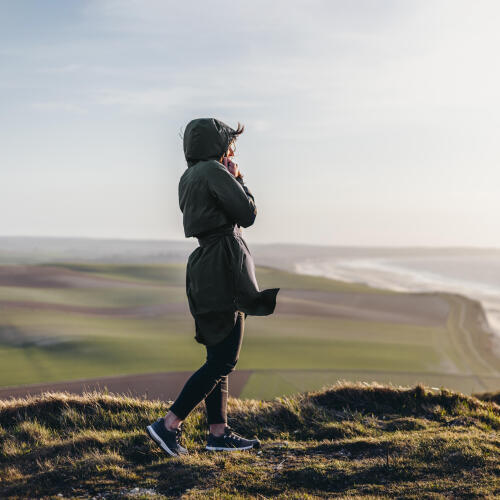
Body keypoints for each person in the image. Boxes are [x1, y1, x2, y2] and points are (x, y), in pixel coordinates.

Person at [146, 117, 280, 457]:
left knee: (217, 355)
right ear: (217, 146)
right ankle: (168, 425)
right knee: (223, 359)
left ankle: (217, 435)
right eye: (228, 146)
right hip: (222, 268)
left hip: (207, 266)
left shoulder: (188, 177)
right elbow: (247, 213)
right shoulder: (213, 171)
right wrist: (238, 176)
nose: (230, 152)